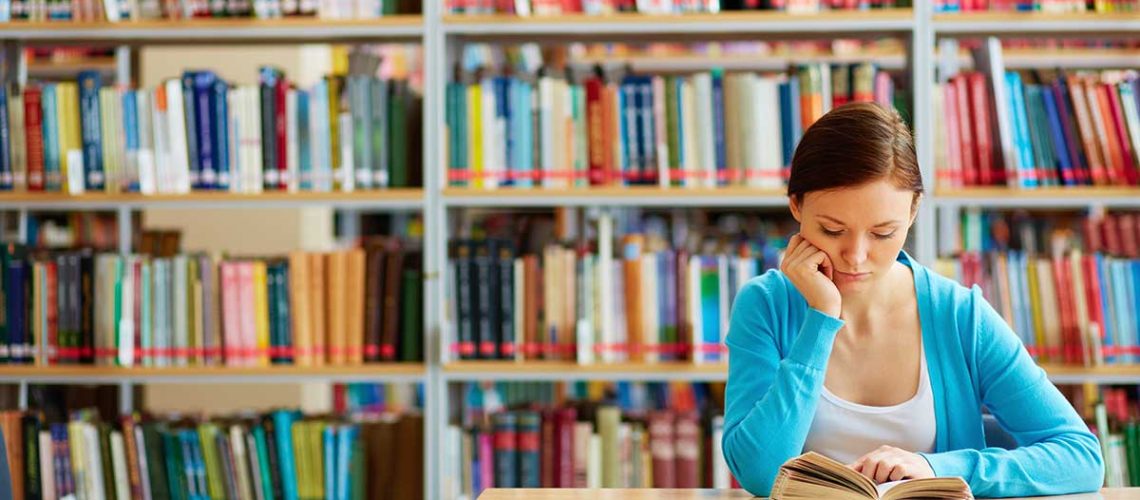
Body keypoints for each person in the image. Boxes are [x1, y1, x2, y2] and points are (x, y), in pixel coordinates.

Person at [721, 102, 1104, 497]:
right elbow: (759, 472)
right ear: (796, 205)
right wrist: (821, 319)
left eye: (883, 233)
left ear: (914, 211)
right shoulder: (764, 305)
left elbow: (1081, 457)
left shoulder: (959, 316)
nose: (855, 255)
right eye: (832, 230)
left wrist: (934, 467)